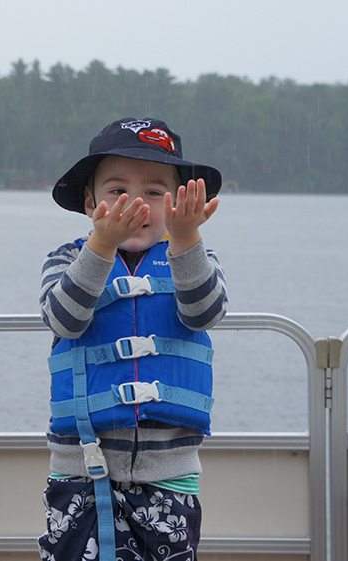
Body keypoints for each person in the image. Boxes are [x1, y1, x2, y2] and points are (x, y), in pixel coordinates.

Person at [38, 117, 227, 560]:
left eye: (156, 193)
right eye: (118, 192)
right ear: (90, 202)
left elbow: (206, 311)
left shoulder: (196, 257)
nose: (136, 205)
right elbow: (64, 320)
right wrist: (101, 246)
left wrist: (186, 239)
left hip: (170, 477)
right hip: (79, 472)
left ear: (181, 201)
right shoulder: (67, 258)